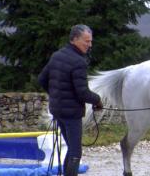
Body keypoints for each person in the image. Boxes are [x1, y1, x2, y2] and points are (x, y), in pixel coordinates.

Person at [38, 24, 103, 176]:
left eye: (90, 41)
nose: (89, 45)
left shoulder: (57, 55)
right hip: (72, 113)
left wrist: (55, 95)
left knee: (71, 148)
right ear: (74, 39)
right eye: (86, 41)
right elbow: (83, 93)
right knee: (75, 152)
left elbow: (42, 79)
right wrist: (98, 100)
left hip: (57, 110)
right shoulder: (78, 62)